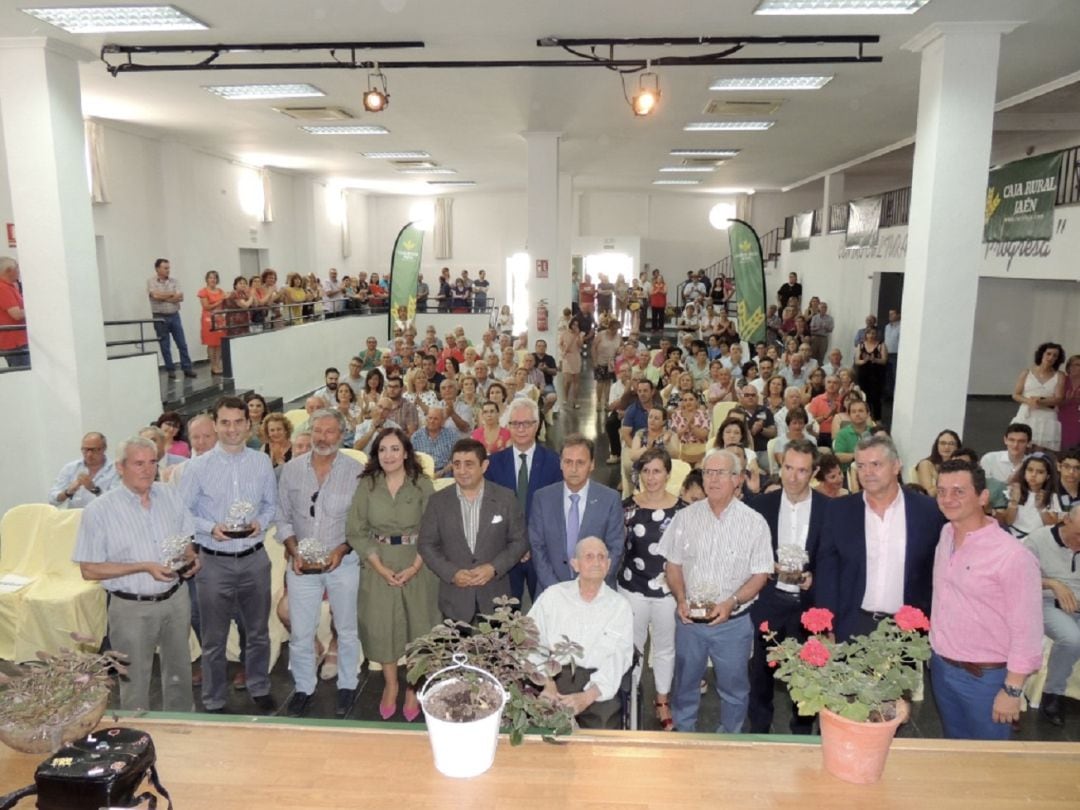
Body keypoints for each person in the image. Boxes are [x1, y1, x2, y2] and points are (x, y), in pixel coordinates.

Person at [73, 436, 200, 712]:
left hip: (176, 599)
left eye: (152, 462)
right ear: (120, 467)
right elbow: (88, 569)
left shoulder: (170, 495)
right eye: (138, 463)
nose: (147, 470)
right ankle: (138, 737)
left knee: (180, 673)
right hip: (130, 606)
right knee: (135, 681)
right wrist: (143, 566)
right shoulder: (99, 511)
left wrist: (190, 558)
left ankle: (184, 731)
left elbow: (186, 540)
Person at [659, 449, 773, 733]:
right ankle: (684, 738)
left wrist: (732, 602)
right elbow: (672, 565)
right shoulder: (685, 518)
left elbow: (761, 573)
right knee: (685, 686)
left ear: (737, 479)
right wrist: (681, 599)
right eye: (708, 472)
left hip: (732, 624)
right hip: (690, 622)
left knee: (734, 691)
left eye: (720, 473)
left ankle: (729, 740)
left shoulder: (754, 523)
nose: (713, 479)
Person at [930, 459, 1044, 739]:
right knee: (956, 751)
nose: (947, 499)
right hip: (943, 669)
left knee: (991, 764)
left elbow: (1027, 631)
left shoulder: (1013, 556)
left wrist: (1012, 690)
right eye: (941, 491)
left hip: (985, 680)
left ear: (982, 497)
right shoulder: (946, 534)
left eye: (958, 491)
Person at [179, 396, 279, 713]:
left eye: (238, 422)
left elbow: (271, 506)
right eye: (225, 422)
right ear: (216, 424)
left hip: (254, 558)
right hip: (213, 562)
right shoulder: (197, 468)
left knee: (258, 632)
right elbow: (182, 514)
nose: (232, 429)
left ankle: (259, 686)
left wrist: (258, 523)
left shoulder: (261, 462)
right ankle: (214, 699)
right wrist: (210, 527)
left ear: (249, 426)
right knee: (213, 638)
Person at [346, 427, 438, 721]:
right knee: (382, 627)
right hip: (379, 565)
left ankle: (413, 687)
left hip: (418, 563)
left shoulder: (422, 484)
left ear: (407, 452)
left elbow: (434, 530)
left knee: (418, 627)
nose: (389, 455)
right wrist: (380, 567)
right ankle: (390, 685)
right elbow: (356, 531)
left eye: (395, 449)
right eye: (383, 449)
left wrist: (414, 567)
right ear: (376, 454)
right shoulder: (368, 485)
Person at [274, 409, 362, 718]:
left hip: (343, 563)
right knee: (300, 632)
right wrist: (294, 550)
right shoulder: (291, 470)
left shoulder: (356, 471)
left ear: (341, 435)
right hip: (302, 566)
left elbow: (361, 522)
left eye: (330, 431)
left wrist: (341, 549)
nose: (323, 437)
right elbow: (282, 517)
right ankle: (303, 688)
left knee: (348, 628)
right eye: (318, 431)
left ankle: (348, 685)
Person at [815, 434, 945, 641]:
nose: (868, 473)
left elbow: (938, 571)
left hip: (909, 631)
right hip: (852, 625)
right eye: (861, 465)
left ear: (896, 466)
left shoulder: (928, 512)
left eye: (876, 464)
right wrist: (825, 623)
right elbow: (827, 572)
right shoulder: (839, 511)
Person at [747, 439, 827, 734]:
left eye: (802, 471)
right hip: (769, 600)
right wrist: (765, 567)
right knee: (761, 676)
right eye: (788, 468)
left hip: (809, 606)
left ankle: (803, 733)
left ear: (814, 472)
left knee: (807, 675)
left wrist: (815, 576)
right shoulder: (760, 506)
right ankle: (758, 732)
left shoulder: (829, 510)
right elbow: (747, 552)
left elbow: (833, 558)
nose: (793, 477)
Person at [529, 537, 634, 729]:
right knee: (540, 734)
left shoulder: (620, 606)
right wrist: (547, 683)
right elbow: (531, 642)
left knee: (600, 743)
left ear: (609, 565)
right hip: (553, 677)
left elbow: (620, 658)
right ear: (575, 564)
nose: (596, 562)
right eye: (589, 556)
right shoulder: (552, 597)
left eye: (602, 557)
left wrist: (587, 697)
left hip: (597, 686)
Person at [419, 439, 527, 623]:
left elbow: (519, 541)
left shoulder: (505, 498)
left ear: (484, 466)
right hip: (454, 601)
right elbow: (426, 544)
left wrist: (493, 568)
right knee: (456, 652)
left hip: (496, 599)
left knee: (496, 652)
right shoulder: (438, 502)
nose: (461, 471)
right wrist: (452, 573)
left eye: (469, 464)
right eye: (457, 464)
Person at [619, 448, 686, 731]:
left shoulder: (683, 510)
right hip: (631, 588)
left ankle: (662, 700)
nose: (651, 477)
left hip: (667, 592)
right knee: (631, 647)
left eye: (657, 470)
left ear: (668, 474)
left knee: (664, 648)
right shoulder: (626, 507)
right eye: (645, 471)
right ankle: (630, 697)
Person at [484, 398, 563, 601]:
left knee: (546, 613)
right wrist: (515, 546)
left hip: (542, 552)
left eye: (526, 423)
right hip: (504, 553)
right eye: (515, 423)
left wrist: (529, 544)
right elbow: (490, 510)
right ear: (508, 426)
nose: (521, 429)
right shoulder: (493, 464)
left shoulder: (554, 463)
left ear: (536, 425)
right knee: (504, 619)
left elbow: (556, 512)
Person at [529, 435, 624, 594]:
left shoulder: (610, 499)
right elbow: (537, 548)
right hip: (552, 592)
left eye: (580, 462)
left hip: (597, 591)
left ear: (592, 464)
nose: (573, 469)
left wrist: (591, 584)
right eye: (568, 462)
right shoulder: (542, 498)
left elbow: (615, 548)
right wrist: (556, 589)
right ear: (560, 463)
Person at [1024, 504, 1080, 727]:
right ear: (1066, 520)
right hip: (1047, 602)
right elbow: (1018, 578)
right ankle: (1053, 694)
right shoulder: (1038, 540)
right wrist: (1051, 583)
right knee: (1072, 639)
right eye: (1078, 534)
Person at [147, 258, 196, 379]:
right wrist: (170, 294)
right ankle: (170, 369)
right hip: (159, 317)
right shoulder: (151, 281)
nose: (168, 270)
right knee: (165, 345)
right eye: (165, 268)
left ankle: (187, 368)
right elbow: (155, 295)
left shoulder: (175, 281)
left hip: (174, 315)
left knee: (182, 343)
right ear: (157, 269)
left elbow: (180, 297)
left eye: (168, 268)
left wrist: (162, 297)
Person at [1012, 342, 1066, 451]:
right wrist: (1029, 401)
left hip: (1047, 416)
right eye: (1048, 354)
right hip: (1026, 414)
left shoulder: (1060, 375)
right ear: (1042, 354)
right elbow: (1016, 394)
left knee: (1040, 451)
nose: (1051, 357)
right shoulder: (1026, 373)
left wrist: (1040, 401)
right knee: (1021, 446)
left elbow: (1059, 398)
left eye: (1055, 355)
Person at [49, 432, 118, 508]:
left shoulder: (117, 470)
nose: (89, 454)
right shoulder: (70, 468)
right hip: (76, 517)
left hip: (104, 517)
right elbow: (52, 500)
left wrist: (94, 489)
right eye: (85, 450)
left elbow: (117, 501)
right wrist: (68, 492)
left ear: (104, 448)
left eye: (93, 450)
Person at [1001, 452, 1061, 538]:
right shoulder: (1014, 490)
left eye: (1040, 472)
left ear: (1047, 476)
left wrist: (1041, 508)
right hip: (1014, 536)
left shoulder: (1051, 496)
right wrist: (1014, 502)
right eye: (1030, 470)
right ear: (1024, 471)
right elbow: (1008, 521)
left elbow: (1052, 525)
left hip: (1039, 538)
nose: (1033, 475)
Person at [410, 404, 460, 477]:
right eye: (430, 418)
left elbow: (456, 458)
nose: (432, 421)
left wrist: (442, 472)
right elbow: (411, 459)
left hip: (445, 474)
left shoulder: (452, 436)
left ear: (442, 421)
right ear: (426, 419)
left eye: (436, 419)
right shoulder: (416, 437)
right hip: (422, 475)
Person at [854, 325, 888, 419]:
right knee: (864, 396)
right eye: (869, 333)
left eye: (873, 333)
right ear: (866, 334)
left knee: (876, 397)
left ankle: (877, 419)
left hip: (877, 374)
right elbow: (857, 360)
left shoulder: (881, 345)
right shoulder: (861, 345)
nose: (871, 335)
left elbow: (884, 360)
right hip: (864, 374)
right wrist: (864, 361)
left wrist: (875, 360)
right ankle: (865, 417)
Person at [0, 257, 29, 368]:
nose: (19, 271)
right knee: (23, 374)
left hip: (18, 340)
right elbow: (16, 314)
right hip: (14, 342)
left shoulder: (9, 286)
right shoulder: (2, 288)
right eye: (17, 268)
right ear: (8, 271)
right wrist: (36, 310)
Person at [915, 429, 962, 497]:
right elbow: (928, 494)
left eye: (951, 444)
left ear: (957, 447)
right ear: (937, 446)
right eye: (943, 443)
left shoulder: (961, 466)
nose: (946, 447)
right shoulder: (926, 464)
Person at [197, 270, 227, 375]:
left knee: (219, 343)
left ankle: (218, 364)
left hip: (220, 319)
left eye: (214, 277)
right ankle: (213, 365)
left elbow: (224, 304)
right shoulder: (203, 291)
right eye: (210, 277)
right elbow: (206, 306)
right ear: (207, 279)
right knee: (211, 344)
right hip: (208, 319)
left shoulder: (221, 291)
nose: (213, 280)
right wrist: (220, 301)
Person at [558, 321, 583, 410]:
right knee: (567, 380)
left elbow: (580, 345)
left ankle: (575, 400)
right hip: (567, 357)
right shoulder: (564, 333)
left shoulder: (579, 334)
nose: (575, 326)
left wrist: (578, 336)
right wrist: (563, 350)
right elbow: (560, 344)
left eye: (577, 325)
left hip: (576, 356)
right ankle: (565, 397)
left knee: (576, 380)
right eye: (574, 324)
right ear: (570, 325)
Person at [883, 309, 901, 400]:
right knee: (888, 375)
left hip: (896, 354)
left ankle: (895, 396)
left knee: (895, 375)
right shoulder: (887, 327)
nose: (890, 316)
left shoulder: (902, 326)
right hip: (886, 354)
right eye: (889, 314)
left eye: (892, 314)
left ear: (898, 315)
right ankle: (889, 394)